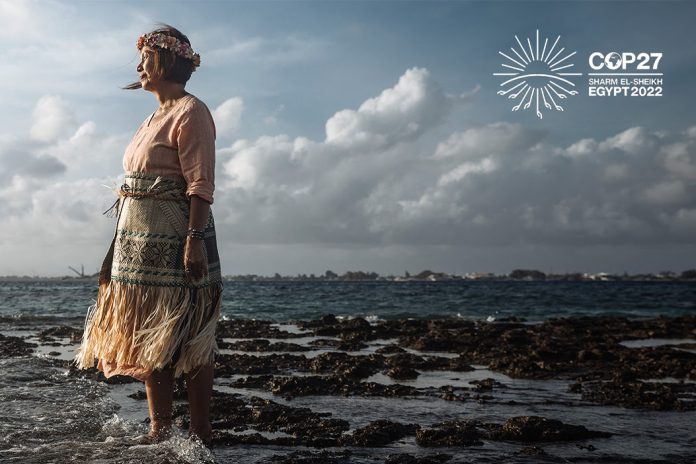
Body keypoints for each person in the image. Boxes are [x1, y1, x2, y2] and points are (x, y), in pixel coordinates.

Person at [75, 24, 222, 446]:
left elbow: (200, 183)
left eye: (144, 57)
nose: (138, 65)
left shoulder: (192, 112)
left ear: (164, 60)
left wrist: (194, 238)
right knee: (151, 331)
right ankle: (160, 429)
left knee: (191, 333)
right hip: (138, 248)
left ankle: (201, 432)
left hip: (179, 240)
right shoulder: (154, 115)